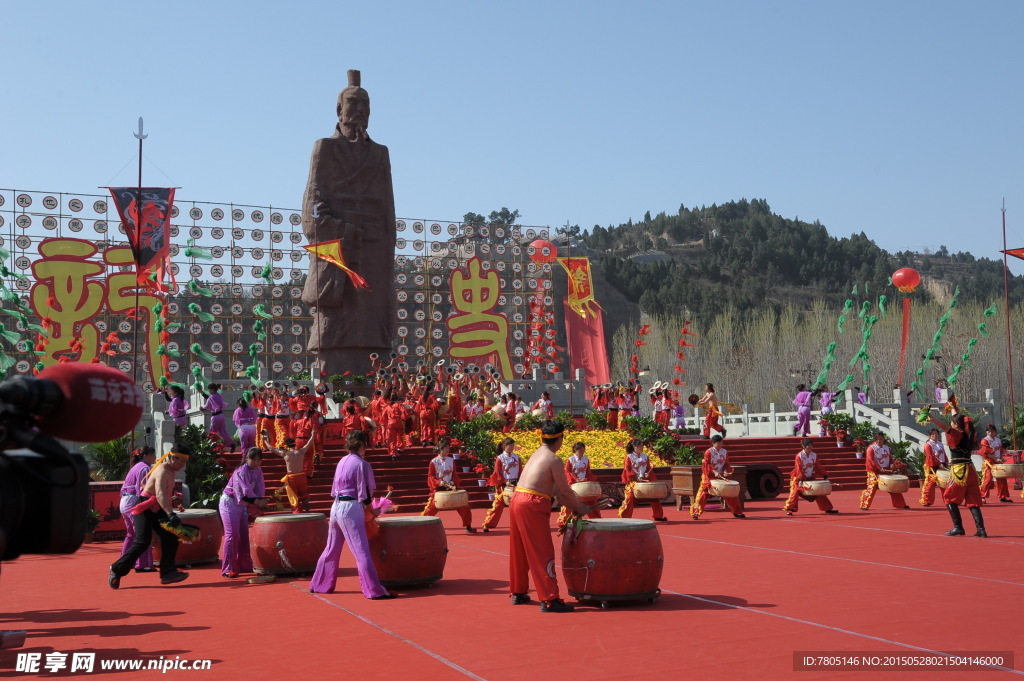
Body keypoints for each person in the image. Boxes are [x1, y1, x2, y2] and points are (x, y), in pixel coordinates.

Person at [301, 69, 397, 378]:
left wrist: (385, 251)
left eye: (365, 105)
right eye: (353, 103)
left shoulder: (380, 154)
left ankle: (376, 373)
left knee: (373, 318)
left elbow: (388, 211)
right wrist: (346, 232)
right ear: (338, 109)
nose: (360, 111)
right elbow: (312, 208)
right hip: (340, 251)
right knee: (337, 322)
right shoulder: (325, 148)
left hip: (374, 253)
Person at [509, 421, 597, 612]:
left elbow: (557, 491)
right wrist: (579, 508)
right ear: (560, 439)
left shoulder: (537, 454)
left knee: (520, 549)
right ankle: (549, 599)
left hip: (517, 498)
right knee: (542, 551)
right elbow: (564, 491)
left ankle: (518, 592)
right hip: (532, 502)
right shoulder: (554, 459)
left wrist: (574, 506)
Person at [309, 430, 395, 598]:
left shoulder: (342, 461)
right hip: (350, 508)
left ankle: (318, 584)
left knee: (331, 549)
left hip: (336, 507)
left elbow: (335, 490)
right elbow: (366, 494)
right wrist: (372, 510)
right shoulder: (362, 464)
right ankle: (374, 590)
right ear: (362, 444)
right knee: (361, 551)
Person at [108, 443, 193, 588]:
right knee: (143, 541)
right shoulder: (162, 470)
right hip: (145, 505)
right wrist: (170, 514)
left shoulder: (172, 471)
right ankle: (116, 569)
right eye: (182, 461)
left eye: (185, 462)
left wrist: (169, 511)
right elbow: (159, 494)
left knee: (171, 536)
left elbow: (163, 496)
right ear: (172, 458)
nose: (183, 465)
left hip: (156, 506)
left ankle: (167, 572)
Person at [928, 408, 987, 537]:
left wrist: (932, 418)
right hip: (970, 469)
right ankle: (981, 529)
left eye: (952, 422)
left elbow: (945, 427)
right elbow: (956, 420)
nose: (951, 424)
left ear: (955, 424)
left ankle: (958, 527)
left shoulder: (957, 434)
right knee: (973, 500)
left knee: (949, 498)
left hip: (960, 470)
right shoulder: (969, 433)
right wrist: (953, 406)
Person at [219, 447, 268, 578]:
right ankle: (228, 568)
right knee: (232, 535)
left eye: (259, 460)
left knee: (244, 535)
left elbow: (259, 489)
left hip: (242, 505)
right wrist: (257, 502)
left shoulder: (258, 471)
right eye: (253, 459)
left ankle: (243, 565)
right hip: (229, 503)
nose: (256, 462)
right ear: (247, 458)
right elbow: (243, 495)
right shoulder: (240, 472)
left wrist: (260, 500)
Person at [421, 437, 476, 533]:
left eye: (448, 448)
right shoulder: (434, 462)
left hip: (451, 486)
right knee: (431, 507)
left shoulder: (451, 460)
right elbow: (431, 476)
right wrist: (439, 483)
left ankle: (468, 525)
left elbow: (454, 474)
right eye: (445, 448)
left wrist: (453, 483)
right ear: (441, 449)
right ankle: (421, 525)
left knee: (463, 506)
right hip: (439, 488)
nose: (448, 449)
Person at [117, 446, 157, 573]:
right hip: (134, 501)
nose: (154, 458)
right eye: (152, 455)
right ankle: (143, 564)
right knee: (143, 535)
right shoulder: (145, 468)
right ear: (145, 455)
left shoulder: (135, 467)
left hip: (124, 501)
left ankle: (125, 562)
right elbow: (143, 491)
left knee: (131, 534)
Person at [690, 435, 745, 519]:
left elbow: (726, 464)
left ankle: (737, 512)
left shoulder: (724, 452)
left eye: (721, 443)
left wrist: (727, 471)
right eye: (718, 443)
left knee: (729, 492)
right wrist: (714, 472)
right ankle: (696, 513)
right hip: (708, 476)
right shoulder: (709, 452)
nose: (720, 445)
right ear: (713, 443)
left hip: (720, 475)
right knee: (703, 494)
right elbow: (706, 464)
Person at [263, 432, 316, 513]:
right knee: (304, 492)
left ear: (287, 445)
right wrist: (312, 435)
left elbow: (271, 449)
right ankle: (305, 499)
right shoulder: (301, 451)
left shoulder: (285, 454)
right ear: (294, 444)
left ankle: (297, 511)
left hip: (292, 478)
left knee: (294, 496)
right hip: (302, 476)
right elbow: (309, 443)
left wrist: (266, 441)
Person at [782, 439, 838, 515]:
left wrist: (824, 474)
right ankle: (790, 509)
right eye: (809, 445)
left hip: (809, 477)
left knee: (819, 490)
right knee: (795, 492)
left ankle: (827, 508)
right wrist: (800, 478)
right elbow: (798, 467)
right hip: (798, 477)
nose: (811, 447)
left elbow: (818, 466)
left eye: (812, 445)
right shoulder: (799, 456)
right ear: (804, 446)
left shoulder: (814, 455)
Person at [617, 439, 667, 521]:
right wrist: (636, 477)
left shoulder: (645, 456)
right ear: (634, 446)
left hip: (643, 480)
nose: (642, 447)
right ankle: (623, 517)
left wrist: (647, 474)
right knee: (629, 498)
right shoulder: (629, 457)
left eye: (642, 445)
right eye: (640, 445)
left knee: (655, 497)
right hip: (633, 482)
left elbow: (648, 468)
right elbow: (627, 469)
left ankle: (658, 515)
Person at [858, 431, 909, 510]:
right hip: (874, 472)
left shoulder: (886, 448)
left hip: (886, 470)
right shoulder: (871, 448)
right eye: (877, 439)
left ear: (883, 439)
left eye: (881, 439)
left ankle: (900, 504)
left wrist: (892, 464)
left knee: (894, 486)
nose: (879, 441)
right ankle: (864, 504)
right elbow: (870, 460)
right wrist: (879, 468)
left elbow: (890, 459)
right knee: (871, 487)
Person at [557, 441, 603, 526]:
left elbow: (588, 472)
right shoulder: (571, 460)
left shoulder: (586, 459)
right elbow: (568, 472)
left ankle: (596, 519)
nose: (582, 453)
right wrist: (575, 479)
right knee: (570, 502)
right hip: (574, 483)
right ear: (575, 450)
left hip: (584, 483)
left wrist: (586, 479)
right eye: (580, 451)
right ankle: (564, 521)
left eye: (583, 451)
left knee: (591, 501)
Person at [482, 438, 522, 532]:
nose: (511, 447)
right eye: (510, 445)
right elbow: (497, 472)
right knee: (497, 506)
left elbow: (520, 471)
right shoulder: (500, 458)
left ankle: (519, 525)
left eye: (513, 445)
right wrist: (504, 481)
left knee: (518, 506)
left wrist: (521, 481)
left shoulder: (517, 457)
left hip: (515, 484)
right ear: (504, 446)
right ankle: (487, 524)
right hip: (503, 485)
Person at [979, 423, 1013, 503]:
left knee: (1002, 478)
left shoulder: (998, 440)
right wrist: (996, 459)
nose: (991, 433)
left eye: (992, 431)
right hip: (989, 461)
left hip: (997, 461)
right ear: (987, 432)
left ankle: (1003, 496)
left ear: (995, 432)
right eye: (989, 431)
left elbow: (1001, 450)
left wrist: (1002, 458)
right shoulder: (985, 440)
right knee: (987, 479)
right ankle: (982, 496)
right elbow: (986, 453)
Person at [919, 428, 950, 507]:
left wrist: (946, 461)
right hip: (932, 465)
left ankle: (948, 500)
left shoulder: (940, 444)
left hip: (941, 464)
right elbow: (930, 456)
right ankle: (927, 501)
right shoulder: (928, 445)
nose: (935, 435)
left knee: (944, 483)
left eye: (936, 434)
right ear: (929, 435)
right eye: (933, 434)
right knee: (930, 483)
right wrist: (939, 463)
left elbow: (944, 454)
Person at [200, 383, 230, 451]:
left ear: (212, 390)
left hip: (215, 416)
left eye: (209, 390)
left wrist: (202, 407)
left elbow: (207, 406)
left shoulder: (211, 397)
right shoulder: (219, 395)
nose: (209, 391)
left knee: (213, 432)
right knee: (223, 432)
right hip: (221, 415)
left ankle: (213, 446)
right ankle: (230, 443)